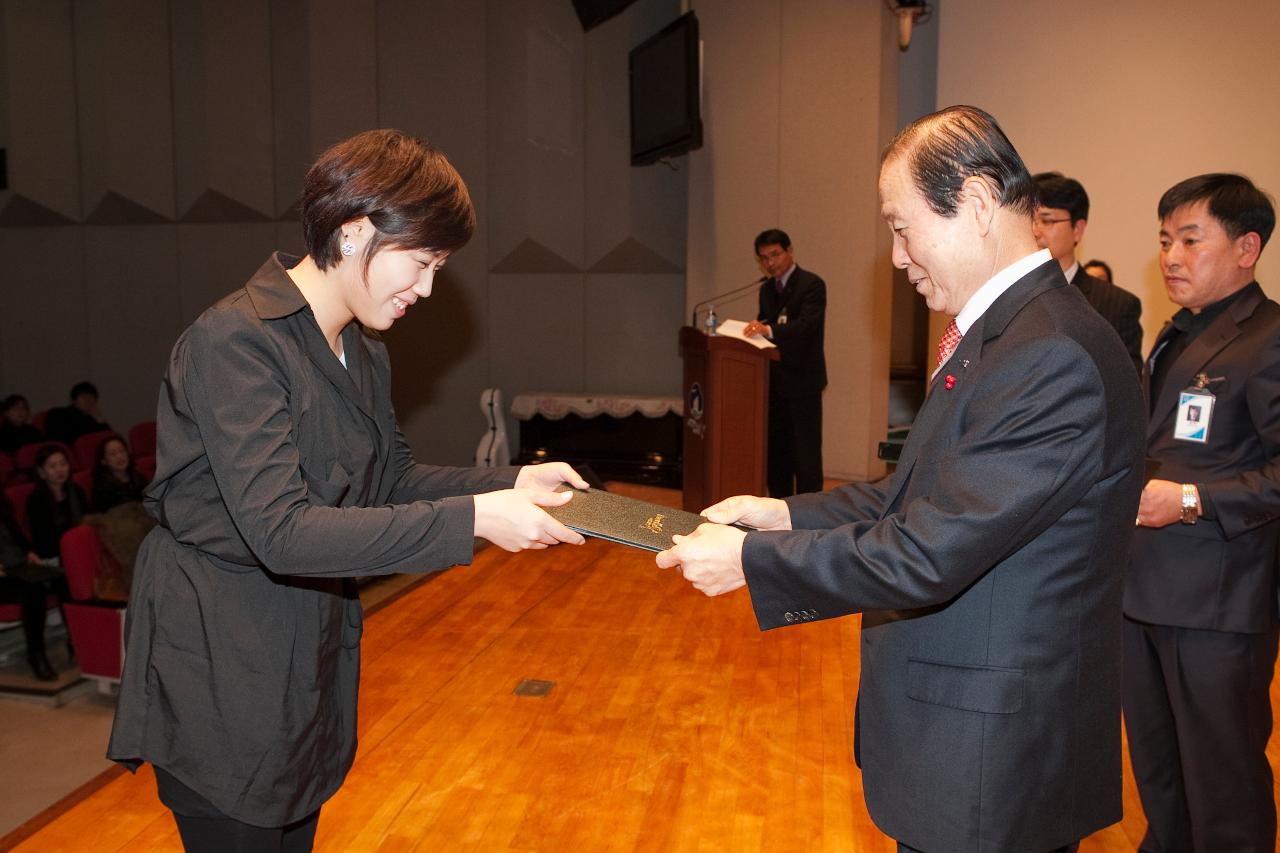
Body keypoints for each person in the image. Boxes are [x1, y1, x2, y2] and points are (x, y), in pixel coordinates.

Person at [657, 105, 1144, 852]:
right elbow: (913, 493)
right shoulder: (1014, 335)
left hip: (993, 761)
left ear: (977, 204)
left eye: (900, 224)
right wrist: (780, 515)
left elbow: (927, 550)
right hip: (966, 742)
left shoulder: (1048, 353)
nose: (894, 256)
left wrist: (747, 561)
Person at [106, 129, 587, 853]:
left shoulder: (363, 351)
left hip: (306, 654)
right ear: (353, 229)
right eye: (421, 263)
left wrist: (510, 480)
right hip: (223, 661)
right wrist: (478, 518)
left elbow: (387, 479)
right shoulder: (235, 341)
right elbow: (281, 530)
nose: (426, 289)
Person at [1125, 173, 1280, 853]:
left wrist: (1190, 499)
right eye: (1165, 240)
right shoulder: (1176, 333)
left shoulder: (1268, 337)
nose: (1171, 256)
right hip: (1142, 594)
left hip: (1218, 606)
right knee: (1162, 782)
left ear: (1246, 247)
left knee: (1224, 793)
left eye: (1191, 238)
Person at [741, 229, 826, 498]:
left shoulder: (811, 284)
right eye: (764, 258)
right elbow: (765, 324)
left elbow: (807, 327)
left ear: (789, 251)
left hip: (802, 384)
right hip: (773, 385)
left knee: (805, 456)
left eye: (775, 255)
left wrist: (769, 331)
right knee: (776, 456)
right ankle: (777, 510)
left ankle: (811, 517)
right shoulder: (766, 289)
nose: (770, 263)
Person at [1032, 172, 1144, 374]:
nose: (1035, 231)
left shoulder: (1117, 305)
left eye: (1046, 221)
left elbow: (1124, 389)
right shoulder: (1006, 296)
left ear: (1078, 229)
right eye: (1030, 220)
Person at [0, 494, 60, 680]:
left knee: (56, 580)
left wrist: (30, 552)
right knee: (32, 591)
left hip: (14, 568)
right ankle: (36, 654)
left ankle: (80, 645)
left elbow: (16, 533)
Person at [26, 445, 87, 561]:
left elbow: (88, 520)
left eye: (63, 464)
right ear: (41, 472)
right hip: (55, 555)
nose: (60, 470)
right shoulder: (35, 500)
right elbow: (43, 540)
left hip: (81, 545)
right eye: (52, 466)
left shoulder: (77, 490)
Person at [91, 435, 148, 511]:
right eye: (113, 454)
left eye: (122, 451)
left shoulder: (138, 477)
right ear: (103, 461)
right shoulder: (102, 487)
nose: (119, 456)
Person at [44, 381, 110, 445]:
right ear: (74, 400)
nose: (88, 400)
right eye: (84, 397)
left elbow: (109, 439)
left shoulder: (93, 419)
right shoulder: (58, 414)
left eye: (91, 397)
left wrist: (100, 420)